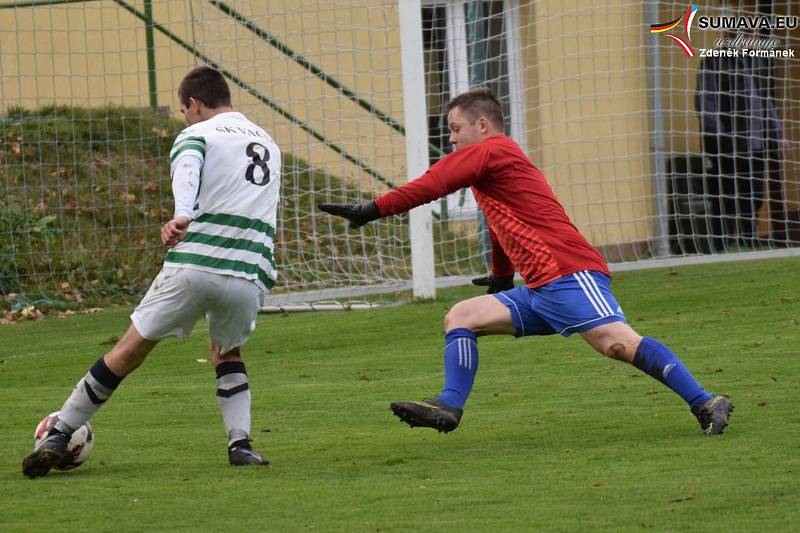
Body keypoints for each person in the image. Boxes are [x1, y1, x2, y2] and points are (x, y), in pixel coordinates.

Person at [319, 87, 733, 437]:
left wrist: (372, 209)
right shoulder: (490, 168)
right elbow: (502, 224)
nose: (451, 139)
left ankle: (705, 402)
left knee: (618, 343)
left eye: (455, 129)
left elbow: (435, 182)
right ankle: (448, 407)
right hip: (538, 288)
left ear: (482, 127)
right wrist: (501, 279)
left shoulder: (495, 149)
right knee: (462, 315)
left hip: (570, 273)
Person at [22, 66, 281, 478]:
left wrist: (181, 215)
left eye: (183, 110)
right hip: (249, 273)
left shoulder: (198, 134)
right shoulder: (267, 142)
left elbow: (189, 168)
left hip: (196, 263)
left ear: (194, 104)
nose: (184, 117)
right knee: (227, 353)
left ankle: (59, 433)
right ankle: (241, 445)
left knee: (128, 350)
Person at [695, 27, 787, 250]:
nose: (750, 40)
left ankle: (749, 238)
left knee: (754, 193)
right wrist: (721, 136)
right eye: (746, 35)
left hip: (755, 143)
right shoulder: (714, 62)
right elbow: (705, 103)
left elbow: (766, 102)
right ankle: (721, 242)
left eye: (751, 36)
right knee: (723, 193)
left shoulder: (758, 63)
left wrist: (779, 134)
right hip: (724, 145)